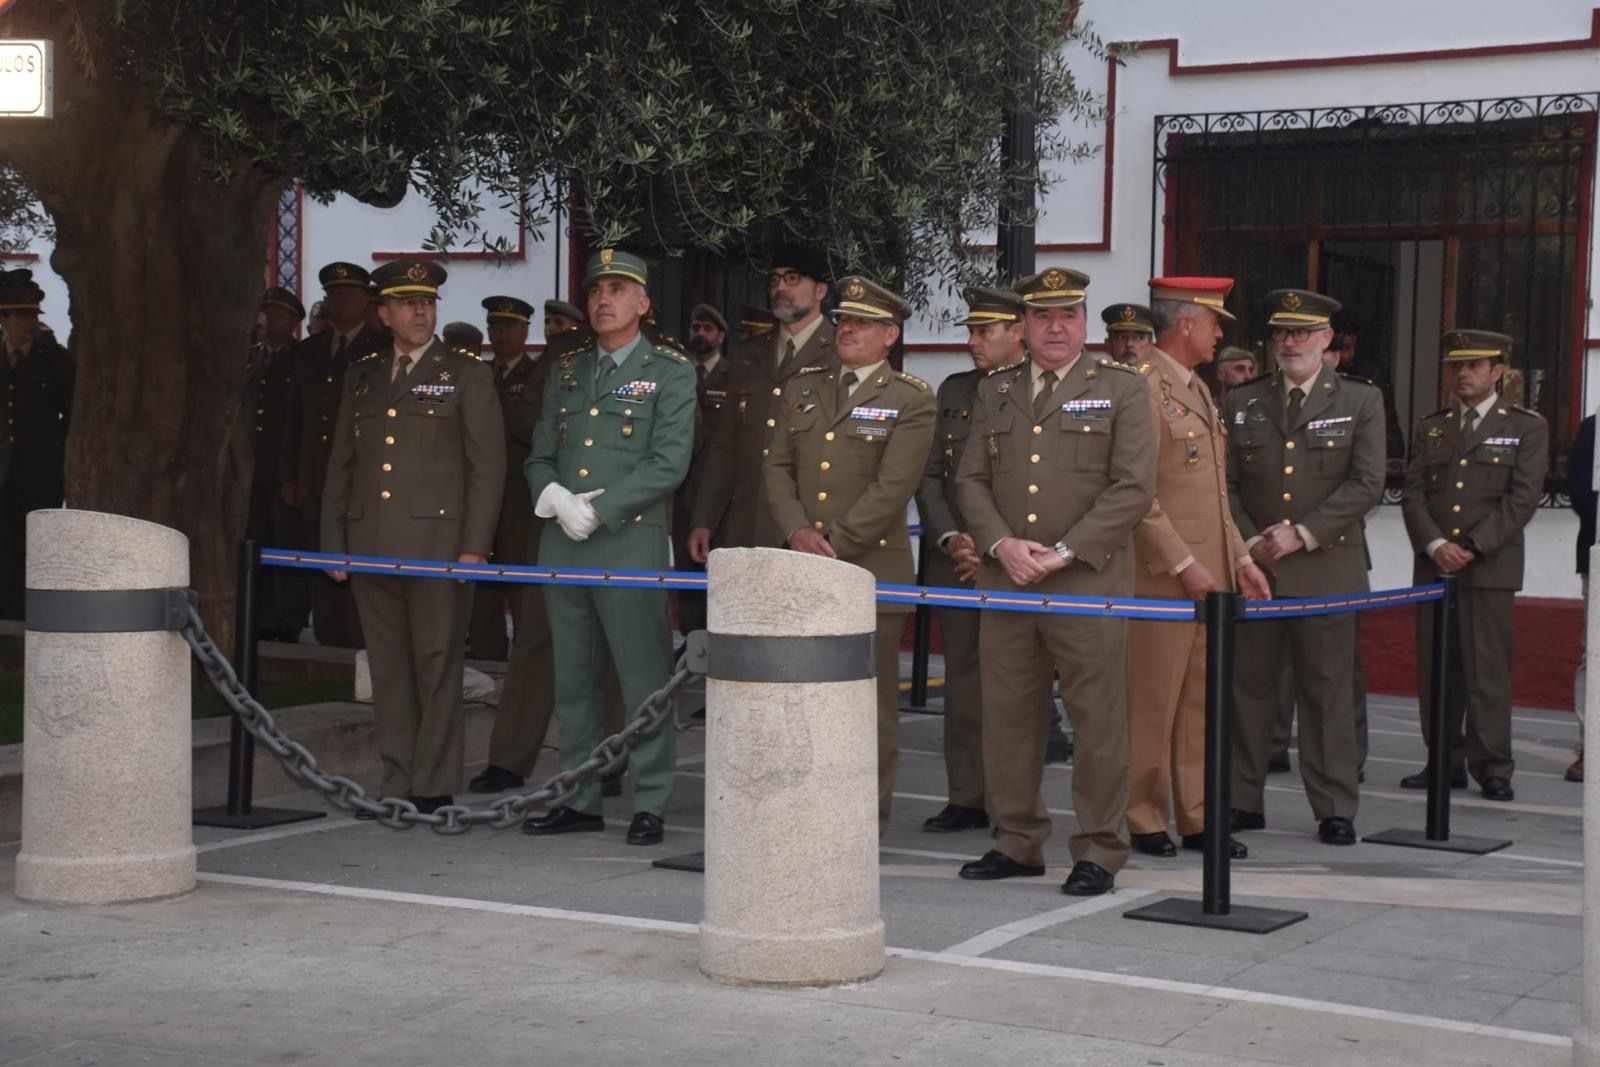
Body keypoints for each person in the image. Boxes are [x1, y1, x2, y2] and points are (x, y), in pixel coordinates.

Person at [954, 266, 1156, 896]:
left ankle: (1100, 848)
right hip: (1009, 577)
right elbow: (969, 480)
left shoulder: (1121, 388)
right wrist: (1000, 543)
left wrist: (1065, 552)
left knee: (1097, 722)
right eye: (1043, 316)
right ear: (1025, 327)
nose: (1056, 327)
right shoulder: (997, 390)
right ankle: (1016, 840)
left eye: (1068, 315)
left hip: (1086, 581)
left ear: (1084, 322)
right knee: (1009, 716)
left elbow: (1134, 489)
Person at [522, 250, 696, 846]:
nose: (603, 299)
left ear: (643, 304)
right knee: (573, 679)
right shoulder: (566, 370)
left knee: (642, 676)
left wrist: (597, 508)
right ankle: (581, 794)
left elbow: (669, 462)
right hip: (563, 543)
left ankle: (649, 800)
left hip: (627, 541)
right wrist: (552, 496)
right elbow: (540, 451)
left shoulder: (671, 370)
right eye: (597, 289)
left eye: (618, 289)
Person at [321, 258, 505, 815]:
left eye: (427, 303)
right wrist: (334, 541)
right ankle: (397, 777)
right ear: (385, 313)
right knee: (389, 666)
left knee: (436, 662)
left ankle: (433, 783)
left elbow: (487, 465)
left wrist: (474, 545)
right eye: (407, 303)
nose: (420, 312)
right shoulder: (364, 376)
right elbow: (342, 464)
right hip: (372, 542)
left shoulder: (466, 373)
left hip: (439, 546)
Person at [766, 275, 936, 834]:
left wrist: (833, 543)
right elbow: (776, 468)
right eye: (845, 320)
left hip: (868, 569)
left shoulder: (910, 398)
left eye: (863, 323)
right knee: (797, 696)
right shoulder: (804, 386)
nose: (849, 329)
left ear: (890, 335)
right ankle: (802, 808)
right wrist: (796, 533)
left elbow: (895, 486)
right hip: (798, 563)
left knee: (870, 707)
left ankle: (865, 820)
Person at [1224, 289, 1385, 845]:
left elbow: (1366, 483)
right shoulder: (1242, 401)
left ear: (1325, 340)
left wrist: (1304, 533)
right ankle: (1242, 799)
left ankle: (1335, 806)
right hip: (1256, 570)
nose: (1289, 343)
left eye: (1301, 333)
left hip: (1326, 569)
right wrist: (1249, 541)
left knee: (1327, 692)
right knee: (1248, 691)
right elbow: (1225, 486)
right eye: (1280, 333)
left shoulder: (1361, 401)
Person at [1126, 277, 1269, 860]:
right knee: (1153, 700)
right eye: (1214, 323)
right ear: (1185, 323)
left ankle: (1197, 814)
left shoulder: (1200, 390)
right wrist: (1183, 562)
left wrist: (1241, 558)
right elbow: (1137, 493)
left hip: (1211, 576)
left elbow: (1212, 494)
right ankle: (1143, 815)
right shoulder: (1142, 388)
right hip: (1163, 575)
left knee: (1198, 703)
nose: (1219, 335)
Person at [1399, 330, 1549, 802]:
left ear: (1498, 371)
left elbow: (1523, 498)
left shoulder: (1526, 426)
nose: (1462, 374)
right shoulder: (1432, 426)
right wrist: (1436, 544)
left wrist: (1474, 546)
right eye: (1455, 366)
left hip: (1490, 567)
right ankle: (1443, 761)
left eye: (1474, 365)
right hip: (1435, 567)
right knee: (1437, 670)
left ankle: (1493, 766)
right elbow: (1414, 492)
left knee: (1486, 671)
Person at [914, 286, 1026, 834]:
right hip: (955, 561)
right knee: (962, 683)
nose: (973, 341)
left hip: (1012, 564)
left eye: (985, 332)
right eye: (971, 331)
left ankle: (1012, 801)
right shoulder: (954, 390)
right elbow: (931, 476)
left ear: (1017, 332)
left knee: (1017, 686)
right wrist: (950, 539)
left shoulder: (1035, 388)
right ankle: (967, 795)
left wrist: (992, 548)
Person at [687, 245, 837, 562]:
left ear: (820, 290)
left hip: (811, 530)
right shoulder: (749, 354)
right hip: (747, 522)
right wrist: (704, 518)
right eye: (775, 280)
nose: (781, 288)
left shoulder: (839, 353)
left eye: (793, 279)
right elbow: (725, 446)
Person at [286, 261, 388, 648]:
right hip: (316, 473)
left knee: (361, 557)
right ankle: (329, 644)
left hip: (363, 477)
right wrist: (290, 475)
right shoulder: (309, 352)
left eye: (350, 293)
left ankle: (361, 643)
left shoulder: (380, 350)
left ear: (366, 301)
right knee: (319, 554)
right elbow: (293, 420)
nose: (341, 299)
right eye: (334, 293)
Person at [466, 298, 540, 662]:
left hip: (519, 495)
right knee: (481, 578)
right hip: (480, 493)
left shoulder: (535, 375)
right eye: (495, 327)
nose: (501, 335)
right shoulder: (477, 373)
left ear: (525, 332)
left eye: (509, 327)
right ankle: (485, 649)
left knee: (520, 575)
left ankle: (526, 655)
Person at [0, 269, 72, 619]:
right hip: (4, 474)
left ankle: (32, 619)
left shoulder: (54, 361)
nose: (29, 322)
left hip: (40, 473)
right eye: (21, 314)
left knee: (36, 551)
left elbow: (71, 416)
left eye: (32, 314)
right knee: (5, 549)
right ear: (4, 318)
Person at [246, 286, 310, 640]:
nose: (272, 321)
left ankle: (289, 617)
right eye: (268, 314)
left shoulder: (300, 359)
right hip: (252, 470)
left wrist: (293, 474)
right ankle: (260, 613)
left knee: (286, 544)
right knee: (255, 540)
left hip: (282, 469)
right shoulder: (252, 357)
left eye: (280, 315)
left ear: (294, 322)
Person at [674, 302, 731, 636]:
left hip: (719, 492)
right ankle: (691, 639)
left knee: (719, 569)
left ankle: (717, 636)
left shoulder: (732, 374)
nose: (700, 334)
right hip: (684, 488)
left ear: (721, 336)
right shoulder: (680, 373)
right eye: (696, 328)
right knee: (686, 569)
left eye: (707, 329)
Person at [1568, 408, 1596, 783]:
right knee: (1596, 656)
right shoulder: (1595, 427)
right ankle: (1591, 747)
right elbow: (1580, 492)